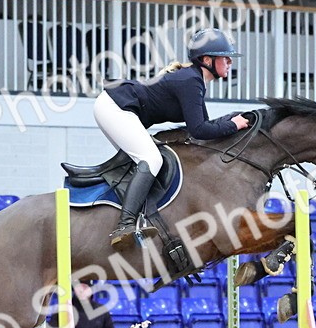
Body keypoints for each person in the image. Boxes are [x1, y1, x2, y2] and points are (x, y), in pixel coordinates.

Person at [92, 28, 251, 248]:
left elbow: (204, 127)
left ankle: (133, 217)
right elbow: (200, 130)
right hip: (114, 106)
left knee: (142, 161)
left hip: (114, 106)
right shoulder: (191, 81)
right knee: (152, 159)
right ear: (207, 60)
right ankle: (124, 225)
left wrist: (232, 122)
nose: (230, 62)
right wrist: (233, 125)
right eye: (226, 57)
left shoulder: (195, 81)